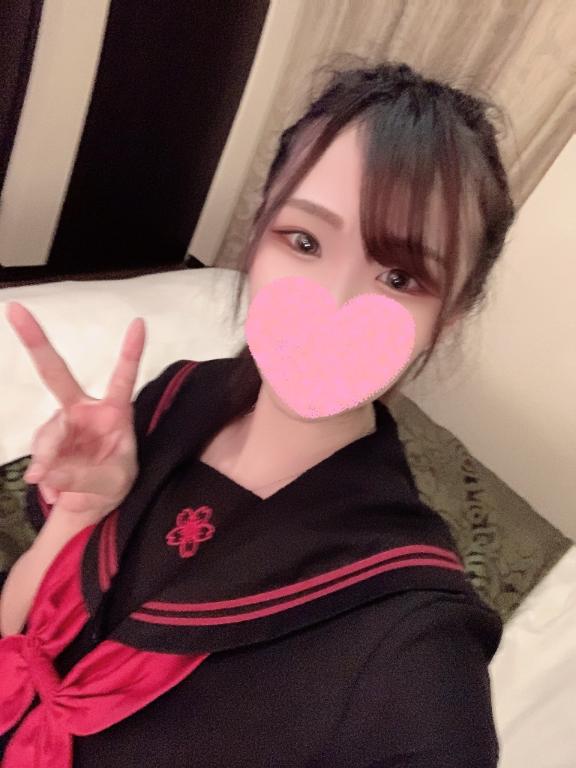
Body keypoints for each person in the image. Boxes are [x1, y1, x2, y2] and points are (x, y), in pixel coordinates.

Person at [0, 58, 516, 767]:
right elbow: (20, 640)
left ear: (448, 317)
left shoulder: (412, 634)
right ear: (262, 223)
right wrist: (75, 518)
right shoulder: (176, 397)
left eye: (400, 277)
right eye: (304, 242)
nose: (332, 305)